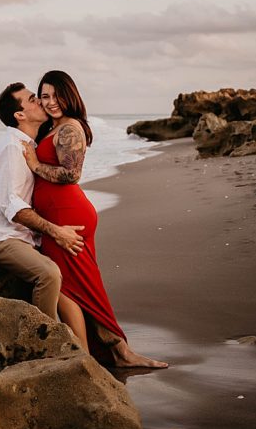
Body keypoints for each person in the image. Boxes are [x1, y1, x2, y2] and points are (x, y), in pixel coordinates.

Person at [21, 70, 169, 369]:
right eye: (45, 96)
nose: (51, 102)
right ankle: (114, 351)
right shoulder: (54, 127)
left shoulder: (70, 129)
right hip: (60, 217)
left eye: (56, 95)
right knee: (83, 286)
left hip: (69, 217)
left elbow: (71, 174)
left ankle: (93, 355)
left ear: (70, 94)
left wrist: (35, 165)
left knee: (67, 287)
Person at [0, 82, 87, 321]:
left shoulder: (32, 144)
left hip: (25, 235)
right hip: (1, 236)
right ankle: (51, 340)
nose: (41, 102)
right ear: (20, 115)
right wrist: (56, 231)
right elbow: (11, 206)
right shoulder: (13, 147)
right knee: (49, 274)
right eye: (33, 99)